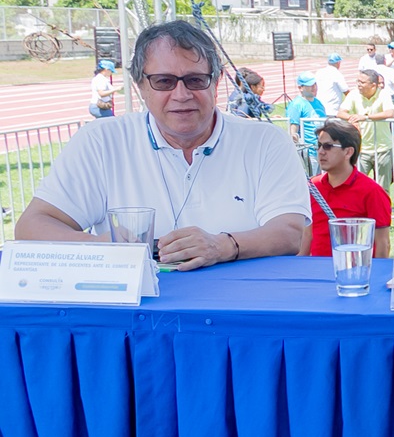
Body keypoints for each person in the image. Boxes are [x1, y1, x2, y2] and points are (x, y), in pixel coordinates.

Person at [15, 19, 308, 269]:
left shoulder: (266, 141)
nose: (181, 94)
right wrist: (106, 246)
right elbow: (32, 226)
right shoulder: (100, 141)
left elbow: (289, 232)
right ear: (140, 85)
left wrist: (222, 246)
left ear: (216, 81)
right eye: (164, 81)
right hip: (135, 318)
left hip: (236, 315)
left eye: (195, 80)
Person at [300, 117, 392, 258]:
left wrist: (375, 277)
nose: (320, 151)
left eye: (328, 146)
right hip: (315, 272)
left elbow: (382, 242)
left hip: (354, 274)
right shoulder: (312, 187)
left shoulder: (372, 191)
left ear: (348, 152)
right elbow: (307, 234)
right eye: (318, 145)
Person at [336, 68, 394, 190]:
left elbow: (390, 113)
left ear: (373, 85)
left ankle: (382, 209)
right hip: (362, 149)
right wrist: (352, 118)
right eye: (358, 81)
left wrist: (366, 117)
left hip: (382, 149)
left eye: (362, 82)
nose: (359, 85)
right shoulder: (354, 94)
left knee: (382, 188)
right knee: (358, 186)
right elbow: (340, 113)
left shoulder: (383, 94)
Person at [284, 72, 327, 176]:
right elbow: (292, 129)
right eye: (310, 86)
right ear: (301, 88)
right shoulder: (297, 104)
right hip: (308, 153)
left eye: (315, 85)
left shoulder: (318, 103)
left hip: (321, 149)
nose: (314, 88)